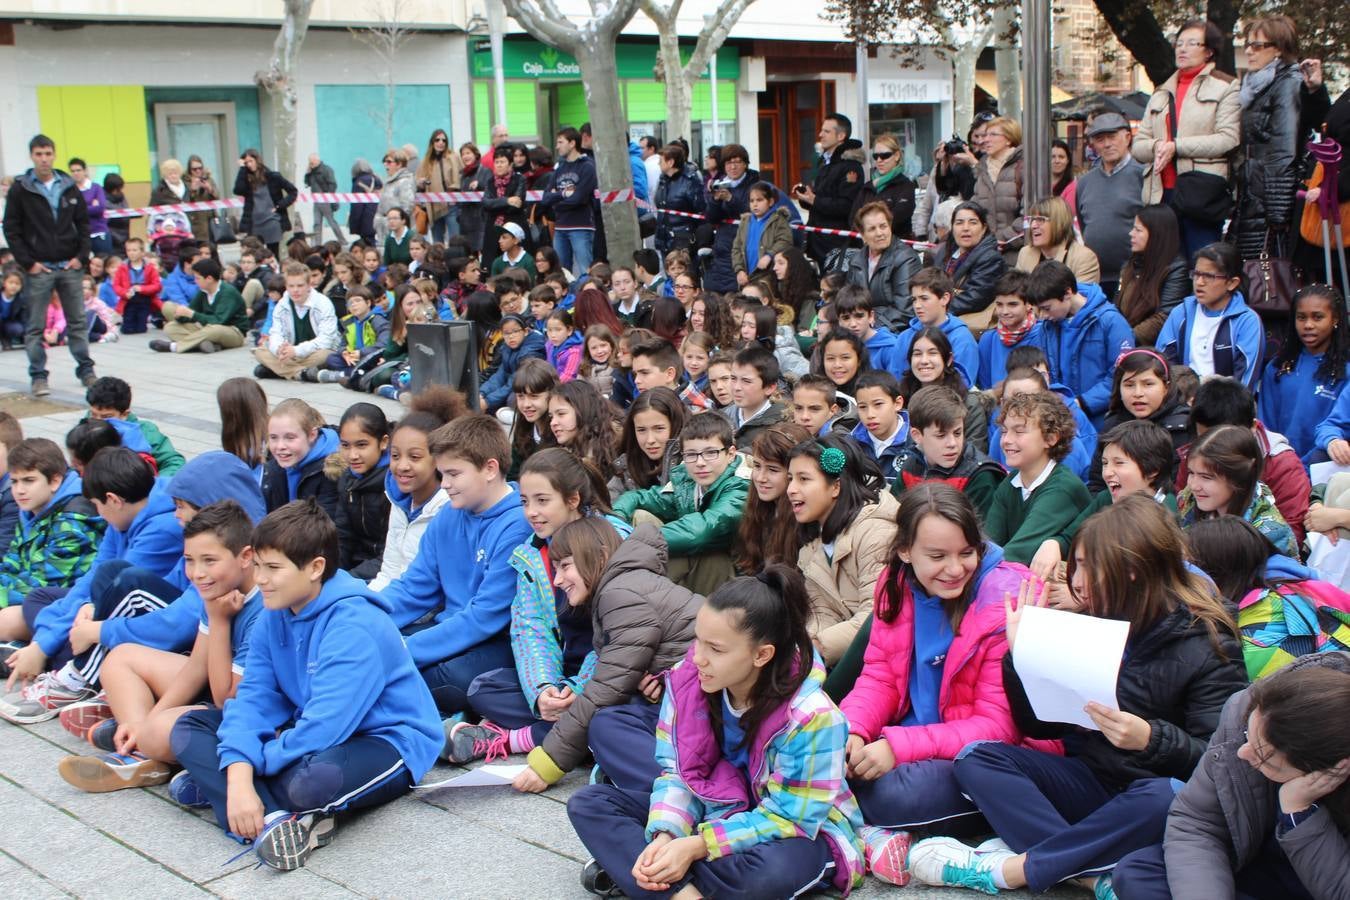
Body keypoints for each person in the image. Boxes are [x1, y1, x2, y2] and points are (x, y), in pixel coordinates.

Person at [908, 496, 1246, 897]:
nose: (1076, 580)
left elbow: (1222, 764)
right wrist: (1021, 658)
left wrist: (1150, 740)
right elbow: (1039, 725)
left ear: (1133, 571)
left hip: (1151, 798)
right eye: (1077, 563)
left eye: (1088, 566)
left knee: (1165, 795)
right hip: (1093, 782)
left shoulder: (1208, 642)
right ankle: (1086, 874)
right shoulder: (1094, 620)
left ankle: (1014, 870)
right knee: (978, 758)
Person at [168, 499, 440, 870]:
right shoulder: (273, 613)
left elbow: (325, 728)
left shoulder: (355, 625)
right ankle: (276, 820)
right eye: (259, 566)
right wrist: (239, 774)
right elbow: (252, 701)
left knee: (309, 783)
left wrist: (244, 768)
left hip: (385, 740)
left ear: (315, 568)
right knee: (189, 727)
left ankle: (241, 799)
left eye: (273, 568)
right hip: (306, 729)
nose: (260, 579)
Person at [567, 565, 866, 900]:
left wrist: (696, 846)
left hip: (796, 834)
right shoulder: (686, 680)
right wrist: (666, 836)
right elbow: (679, 774)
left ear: (761, 655)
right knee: (590, 804)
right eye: (698, 641)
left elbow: (791, 819)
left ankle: (642, 873)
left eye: (716, 649)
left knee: (769, 874)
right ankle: (680, 889)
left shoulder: (813, 717)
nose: (699, 658)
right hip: (715, 810)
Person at [837, 483, 1048, 886]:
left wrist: (896, 748)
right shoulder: (896, 584)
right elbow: (879, 674)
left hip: (986, 760)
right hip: (914, 737)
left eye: (966, 553)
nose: (954, 569)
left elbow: (997, 728)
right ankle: (863, 827)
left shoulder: (1005, 600)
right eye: (937, 556)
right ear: (905, 551)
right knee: (830, 754)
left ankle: (859, 826)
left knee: (891, 795)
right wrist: (854, 729)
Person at [454, 509, 697, 794]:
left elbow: (606, 689)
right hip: (672, 694)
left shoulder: (619, 594)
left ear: (602, 557)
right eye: (555, 569)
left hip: (699, 708)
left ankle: (678, 792)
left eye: (565, 566)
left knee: (604, 722)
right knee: (491, 688)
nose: (557, 580)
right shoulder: (622, 586)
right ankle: (609, 763)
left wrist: (549, 764)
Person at [55, 500, 261, 793]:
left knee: (162, 731)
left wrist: (219, 621)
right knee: (120, 659)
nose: (197, 573)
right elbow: (196, 667)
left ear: (245, 556)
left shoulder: (263, 605)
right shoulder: (218, 588)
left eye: (209, 560)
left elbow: (224, 699)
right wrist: (146, 722)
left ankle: (156, 753)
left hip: (245, 710)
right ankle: (142, 751)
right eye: (190, 560)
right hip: (218, 682)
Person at [1113, 653, 1350, 900]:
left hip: (1318, 883)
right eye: (1248, 732)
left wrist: (1299, 814)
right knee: (1139, 872)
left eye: (1264, 756)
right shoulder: (1253, 708)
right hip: (1254, 870)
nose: (1242, 752)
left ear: (1326, 768)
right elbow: (1198, 822)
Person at [0, 448, 182, 723]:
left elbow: (117, 589)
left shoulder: (163, 528)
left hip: (148, 615)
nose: (97, 513)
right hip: (111, 602)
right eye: (15, 482)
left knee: (115, 580)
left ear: (112, 500)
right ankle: (44, 654)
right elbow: (92, 579)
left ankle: (74, 677)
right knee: (40, 598)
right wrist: (43, 642)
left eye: (97, 505)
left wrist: (49, 641)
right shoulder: (125, 512)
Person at [380, 415, 533, 714]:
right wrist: (365, 616)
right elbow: (414, 588)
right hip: (450, 629)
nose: (445, 485)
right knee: (371, 644)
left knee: (441, 678)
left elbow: (484, 618)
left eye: (453, 474)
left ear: (490, 468)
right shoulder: (449, 515)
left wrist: (406, 649)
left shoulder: (517, 525)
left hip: (494, 641)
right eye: (442, 474)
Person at [1132, 19, 1241, 260]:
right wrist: (1157, 146)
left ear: (1209, 50)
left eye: (1192, 43)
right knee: (1164, 268)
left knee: (1203, 264)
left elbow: (1229, 139)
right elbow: (1138, 146)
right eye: (1179, 43)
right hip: (1160, 194)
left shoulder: (1226, 86)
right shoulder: (1161, 91)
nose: (1182, 49)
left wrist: (1176, 147)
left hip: (1199, 192)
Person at [786, 433, 897, 666]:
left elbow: (875, 617)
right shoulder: (812, 544)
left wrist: (816, 649)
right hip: (847, 656)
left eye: (803, 479)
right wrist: (808, 646)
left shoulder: (875, 533)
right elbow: (821, 612)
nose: (791, 489)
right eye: (790, 479)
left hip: (885, 659)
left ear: (836, 486)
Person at [612, 413, 750, 596]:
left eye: (711, 453)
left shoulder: (741, 484)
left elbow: (703, 529)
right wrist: (616, 521)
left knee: (701, 551)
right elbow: (638, 497)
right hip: (702, 568)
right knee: (640, 515)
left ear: (730, 454)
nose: (700, 463)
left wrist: (635, 540)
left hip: (740, 579)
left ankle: (637, 593)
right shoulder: (688, 480)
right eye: (691, 455)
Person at [1030, 419, 1180, 585]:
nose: (1108, 473)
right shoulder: (1105, 499)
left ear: (1152, 469)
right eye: (1105, 463)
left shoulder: (1165, 511)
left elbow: (1150, 577)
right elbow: (1070, 537)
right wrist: (1053, 544)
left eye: (1119, 463)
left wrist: (1087, 597)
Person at [3, 134, 97, 397]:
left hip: (69, 266)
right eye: (38, 154)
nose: (44, 159)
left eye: (48, 154)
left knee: (77, 321)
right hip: (38, 268)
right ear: (32, 156)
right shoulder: (21, 188)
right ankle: (38, 375)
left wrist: (81, 256)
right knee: (34, 325)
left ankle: (86, 370)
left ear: (54, 155)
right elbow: (12, 228)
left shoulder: (68, 185)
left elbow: (84, 225)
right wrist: (28, 263)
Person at [1230, 16, 1325, 262]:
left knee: (1267, 270)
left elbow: (1284, 147)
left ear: (1279, 49)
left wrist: (1278, 211)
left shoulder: (1287, 83)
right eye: (1248, 44)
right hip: (1253, 189)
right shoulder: (1257, 84)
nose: (1249, 51)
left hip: (1269, 195)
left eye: (1257, 45)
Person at [0, 438, 103, 633]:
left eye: (29, 480)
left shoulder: (74, 520)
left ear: (55, 480)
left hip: (71, 605)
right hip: (35, 597)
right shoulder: (31, 509)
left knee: (5, 620)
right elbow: (11, 562)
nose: (19, 490)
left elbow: (43, 584)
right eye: (14, 481)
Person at [1028, 259, 1134, 429]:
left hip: (1101, 420)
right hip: (1061, 418)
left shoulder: (1111, 322)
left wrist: (1082, 402)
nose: (1041, 316)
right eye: (1038, 309)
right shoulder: (1047, 327)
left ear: (1068, 293)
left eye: (1047, 308)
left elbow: (1121, 375)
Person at [1155, 241, 1264, 391]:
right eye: (1196, 274)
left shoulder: (1247, 321)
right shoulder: (1181, 313)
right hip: (1181, 402)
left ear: (1232, 283)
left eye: (1209, 276)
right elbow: (1163, 363)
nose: (1199, 282)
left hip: (1227, 407)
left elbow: (1245, 381)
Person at [1179, 423, 1299, 558]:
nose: (1194, 485)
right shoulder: (1188, 499)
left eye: (1206, 477)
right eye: (1191, 473)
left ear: (1240, 476)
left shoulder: (1269, 534)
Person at [1261, 284, 1350, 460]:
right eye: (1301, 318)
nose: (1308, 325)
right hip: (1283, 469)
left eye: (1318, 317)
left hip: (1325, 467)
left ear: (1335, 319)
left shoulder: (1345, 369)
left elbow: (1338, 426)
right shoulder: (1278, 367)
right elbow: (1266, 427)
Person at [1085, 349, 1191, 493]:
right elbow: (1097, 484)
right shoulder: (1113, 425)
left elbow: (1177, 490)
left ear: (1166, 387)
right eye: (1129, 385)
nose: (1138, 393)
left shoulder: (1182, 429)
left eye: (1148, 384)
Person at [890, 385, 1005, 516]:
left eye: (957, 433)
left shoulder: (980, 476)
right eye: (940, 436)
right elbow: (893, 517)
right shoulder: (910, 467)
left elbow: (983, 534)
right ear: (917, 435)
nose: (952, 444)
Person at [1074, 111, 1144, 297]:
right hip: (1095, 276)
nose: (1107, 144)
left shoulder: (1142, 175)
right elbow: (1084, 224)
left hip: (1135, 275)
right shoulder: (1085, 182)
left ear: (1127, 137)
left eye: (1112, 137)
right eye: (1100, 139)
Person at [793, 112, 865, 265]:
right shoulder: (825, 163)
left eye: (826, 131)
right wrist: (806, 198)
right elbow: (821, 198)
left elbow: (847, 206)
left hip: (837, 244)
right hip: (817, 241)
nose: (820, 135)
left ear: (841, 136)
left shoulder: (851, 166)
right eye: (821, 130)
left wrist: (815, 200)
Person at [252, 262, 341, 381]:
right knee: (260, 351)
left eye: (300, 286)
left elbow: (326, 340)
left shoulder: (323, 304)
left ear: (309, 285)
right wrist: (279, 349)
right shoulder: (282, 305)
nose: (295, 290)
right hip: (291, 354)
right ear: (286, 286)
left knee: (326, 356)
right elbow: (276, 333)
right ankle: (302, 373)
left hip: (315, 352)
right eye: (291, 286)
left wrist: (296, 350)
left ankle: (280, 370)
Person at [1118, 204, 1191, 345]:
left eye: (1138, 230)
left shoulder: (1176, 268)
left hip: (1151, 350)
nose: (1131, 233)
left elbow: (1164, 317)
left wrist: (1125, 339)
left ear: (1156, 234)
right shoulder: (1131, 264)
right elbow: (1117, 307)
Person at [332, 403, 391, 581]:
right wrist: (331, 574)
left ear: (383, 442)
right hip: (357, 566)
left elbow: (389, 553)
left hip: (386, 569)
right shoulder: (347, 479)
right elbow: (342, 537)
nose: (352, 455)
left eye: (362, 445)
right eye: (346, 445)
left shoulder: (395, 485)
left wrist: (349, 580)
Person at [83, 377, 185, 477]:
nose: (98, 421)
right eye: (93, 414)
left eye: (107, 417)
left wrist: (156, 486)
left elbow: (173, 462)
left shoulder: (145, 431)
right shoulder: (85, 427)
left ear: (125, 414)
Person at [893, 268, 980, 384]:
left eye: (924, 298)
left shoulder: (962, 339)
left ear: (944, 299)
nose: (917, 305)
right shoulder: (904, 337)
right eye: (914, 299)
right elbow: (896, 381)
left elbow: (962, 385)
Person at [844, 201, 921, 330]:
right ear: (863, 235)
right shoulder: (856, 260)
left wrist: (869, 329)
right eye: (872, 229)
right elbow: (848, 301)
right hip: (860, 328)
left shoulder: (906, 258)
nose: (880, 233)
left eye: (883, 226)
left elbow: (904, 311)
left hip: (894, 332)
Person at [150, 257, 249, 355]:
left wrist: (192, 314)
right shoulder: (203, 291)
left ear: (209, 278)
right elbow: (192, 313)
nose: (195, 281)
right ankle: (204, 344)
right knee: (170, 327)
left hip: (233, 332)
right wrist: (180, 316)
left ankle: (175, 346)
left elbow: (218, 321)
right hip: (207, 328)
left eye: (198, 278)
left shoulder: (227, 292)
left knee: (214, 330)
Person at [932, 201, 1007, 323]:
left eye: (973, 222)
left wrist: (936, 310)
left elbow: (975, 297)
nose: (965, 228)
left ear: (984, 228)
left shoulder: (991, 259)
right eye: (959, 223)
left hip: (968, 324)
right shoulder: (944, 252)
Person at [976, 271, 1046, 391]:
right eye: (999, 304)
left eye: (1012, 305)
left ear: (1029, 304)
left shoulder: (1044, 335)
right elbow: (985, 386)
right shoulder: (988, 340)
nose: (1004, 311)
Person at [542, 128, 598, 276]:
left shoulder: (587, 166)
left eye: (560, 142)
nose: (557, 146)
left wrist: (557, 200)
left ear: (572, 143)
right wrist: (565, 193)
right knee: (561, 273)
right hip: (560, 227)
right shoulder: (560, 168)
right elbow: (545, 198)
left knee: (585, 271)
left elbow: (579, 198)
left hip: (581, 226)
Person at [970, 117, 1025, 264]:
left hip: (1017, 255)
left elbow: (1029, 216)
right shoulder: (983, 170)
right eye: (984, 135)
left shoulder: (1023, 168)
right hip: (986, 255)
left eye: (992, 135)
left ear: (1009, 139)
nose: (985, 140)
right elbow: (974, 209)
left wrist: (1000, 240)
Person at [703, 144, 757, 293]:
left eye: (737, 162)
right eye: (728, 163)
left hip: (746, 246)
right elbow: (711, 218)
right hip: (723, 245)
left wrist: (731, 199)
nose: (733, 167)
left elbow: (754, 211)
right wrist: (715, 200)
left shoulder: (754, 183)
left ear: (745, 164)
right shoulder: (721, 183)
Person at [1015, 196, 1101, 286]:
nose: (1033, 225)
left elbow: (1079, 299)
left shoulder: (1084, 258)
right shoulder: (1025, 253)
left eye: (1040, 219)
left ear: (1058, 223)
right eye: (1032, 220)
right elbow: (1016, 294)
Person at [233, 149, 297, 259]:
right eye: (246, 162)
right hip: (254, 224)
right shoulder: (246, 179)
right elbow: (238, 190)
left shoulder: (273, 176)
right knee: (255, 256)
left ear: (257, 160)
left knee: (272, 256)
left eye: (251, 161)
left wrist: (279, 205)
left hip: (272, 222)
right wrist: (242, 169)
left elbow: (293, 191)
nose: (249, 164)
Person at [851, 133, 916, 240]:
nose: (879, 160)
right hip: (868, 247)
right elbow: (853, 218)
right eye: (875, 156)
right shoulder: (868, 187)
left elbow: (898, 217)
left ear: (896, 156)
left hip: (896, 249)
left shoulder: (905, 185)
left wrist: (870, 228)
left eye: (885, 156)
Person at [726, 345, 789, 450]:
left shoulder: (780, 428)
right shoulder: (721, 418)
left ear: (769, 387)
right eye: (733, 378)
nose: (736, 387)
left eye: (746, 381)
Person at [732, 181, 792, 289]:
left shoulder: (778, 220)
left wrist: (769, 255)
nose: (755, 204)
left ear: (771, 202)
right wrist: (739, 270)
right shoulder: (745, 222)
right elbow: (736, 248)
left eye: (759, 200)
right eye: (751, 201)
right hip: (747, 277)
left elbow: (785, 241)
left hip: (768, 276)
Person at [653, 143, 706, 259]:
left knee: (683, 273)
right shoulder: (663, 179)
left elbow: (700, 209)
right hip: (664, 235)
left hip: (683, 237)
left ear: (670, 162)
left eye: (661, 161)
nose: (658, 164)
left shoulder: (690, 181)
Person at [480, 154, 529, 273]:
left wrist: (495, 204)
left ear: (510, 164)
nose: (499, 165)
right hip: (493, 227)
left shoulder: (519, 179)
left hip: (514, 225)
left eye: (502, 162)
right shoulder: (490, 181)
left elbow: (516, 204)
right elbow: (486, 203)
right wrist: (506, 201)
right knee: (490, 264)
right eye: (496, 162)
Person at [415, 129, 462, 243]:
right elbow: (418, 184)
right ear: (432, 142)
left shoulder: (453, 157)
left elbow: (461, 175)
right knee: (437, 242)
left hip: (452, 205)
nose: (441, 142)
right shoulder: (426, 162)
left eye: (444, 140)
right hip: (434, 207)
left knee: (455, 239)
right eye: (437, 140)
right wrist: (421, 183)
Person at [111, 237, 162, 335]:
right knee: (128, 328)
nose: (131, 253)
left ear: (142, 252)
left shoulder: (149, 267)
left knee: (141, 328)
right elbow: (116, 286)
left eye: (134, 250)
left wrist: (142, 289)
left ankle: (143, 322)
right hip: (129, 299)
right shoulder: (122, 267)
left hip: (145, 299)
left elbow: (157, 285)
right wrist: (125, 293)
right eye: (128, 250)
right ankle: (125, 324)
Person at [67, 159, 109, 254]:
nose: (76, 173)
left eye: (78, 170)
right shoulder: (69, 191)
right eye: (73, 171)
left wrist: (78, 208)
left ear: (85, 171)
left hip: (98, 232)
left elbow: (100, 208)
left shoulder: (96, 187)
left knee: (104, 262)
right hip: (79, 235)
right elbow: (69, 212)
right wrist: (90, 206)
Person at [375, 148, 416, 245]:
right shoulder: (388, 182)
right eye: (384, 162)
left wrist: (393, 221)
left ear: (399, 164)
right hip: (384, 230)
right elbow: (381, 207)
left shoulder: (405, 181)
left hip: (400, 233)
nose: (385, 164)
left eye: (389, 162)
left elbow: (407, 208)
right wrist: (378, 220)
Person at [303, 153, 344, 245]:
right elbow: (307, 183)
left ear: (317, 161)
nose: (310, 164)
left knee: (330, 221)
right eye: (310, 163)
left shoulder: (326, 170)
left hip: (325, 199)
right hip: (316, 200)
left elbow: (332, 184)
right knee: (317, 223)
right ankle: (317, 244)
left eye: (312, 162)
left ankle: (342, 240)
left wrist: (329, 197)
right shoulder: (311, 172)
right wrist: (307, 174)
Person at [347, 158, 382, 248]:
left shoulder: (359, 182)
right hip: (376, 215)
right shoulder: (376, 179)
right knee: (372, 241)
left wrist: (354, 223)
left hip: (364, 217)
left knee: (367, 244)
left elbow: (357, 205)